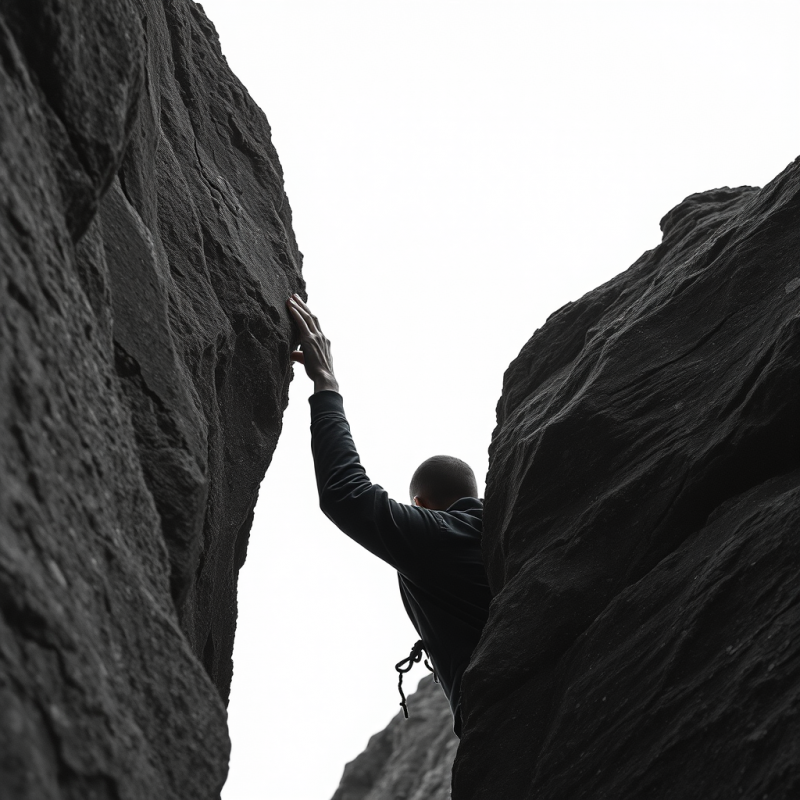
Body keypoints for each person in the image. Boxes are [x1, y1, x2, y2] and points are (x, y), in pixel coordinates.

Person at [287, 293, 491, 737]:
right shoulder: (503, 532)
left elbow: (347, 495)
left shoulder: (440, 537)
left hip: (500, 721)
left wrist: (326, 386)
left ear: (419, 505)